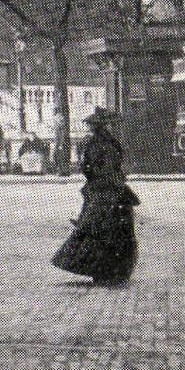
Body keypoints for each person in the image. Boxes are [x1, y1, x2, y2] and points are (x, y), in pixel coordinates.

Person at [52, 107, 140, 286]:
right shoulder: (108, 142)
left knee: (97, 227)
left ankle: (100, 268)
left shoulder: (96, 143)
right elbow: (106, 166)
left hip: (102, 189)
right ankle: (112, 269)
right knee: (111, 228)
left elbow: (90, 167)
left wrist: (95, 173)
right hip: (109, 189)